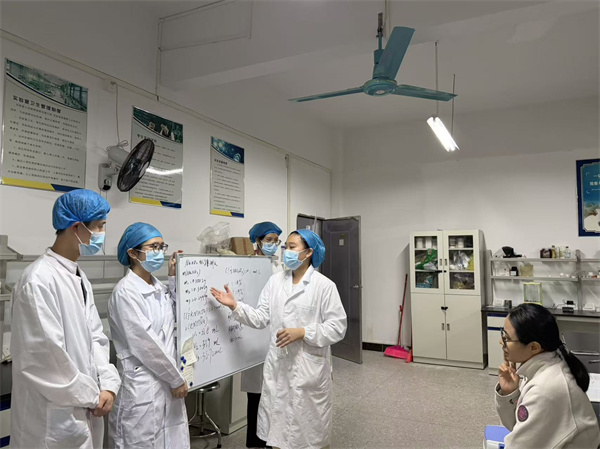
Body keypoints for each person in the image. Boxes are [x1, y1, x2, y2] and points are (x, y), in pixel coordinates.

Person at [211, 229, 347, 449]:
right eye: (286, 247)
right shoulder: (275, 282)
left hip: (307, 369)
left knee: (308, 435)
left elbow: (337, 328)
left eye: (292, 247)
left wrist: (303, 332)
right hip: (278, 367)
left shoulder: (324, 286)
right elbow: (261, 318)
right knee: (278, 433)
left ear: (308, 252)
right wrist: (235, 306)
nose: (286, 252)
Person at [10, 189, 121, 449]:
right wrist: (92, 395)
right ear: (76, 227)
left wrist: (108, 383)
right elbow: (45, 358)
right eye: (99, 226)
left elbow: (95, 337)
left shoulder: (78, 276)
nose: (102, 233)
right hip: (51, 421)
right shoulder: (37, 280)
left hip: (85, 406)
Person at [108, 223, 190, 449]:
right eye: (153, 247)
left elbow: (177, 316)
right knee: (141, 441)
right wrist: (175, 378)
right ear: (133, 253)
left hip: (166, 380)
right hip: (143, 385)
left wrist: (172, 277)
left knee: (171, 440)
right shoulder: (125, 292)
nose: (159, 252)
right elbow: (145, 344)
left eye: (161, 246)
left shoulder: (158, 288)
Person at [495, 303, 600, 448]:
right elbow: (517, 426)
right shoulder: (541, 367)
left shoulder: (545, 388)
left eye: (506, 338)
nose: (501, 342)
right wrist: (509, 394)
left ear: (534, 347)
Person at [243, 221, 284, 448]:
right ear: (257, 241)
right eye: (269, 240)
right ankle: (255, 443)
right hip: (255, 338)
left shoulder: (280, 267)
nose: (273, 245)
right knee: (257, 396)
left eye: (276, 241)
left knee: (275, 396)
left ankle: (272, 441)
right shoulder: (246, 266)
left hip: (276, 338)